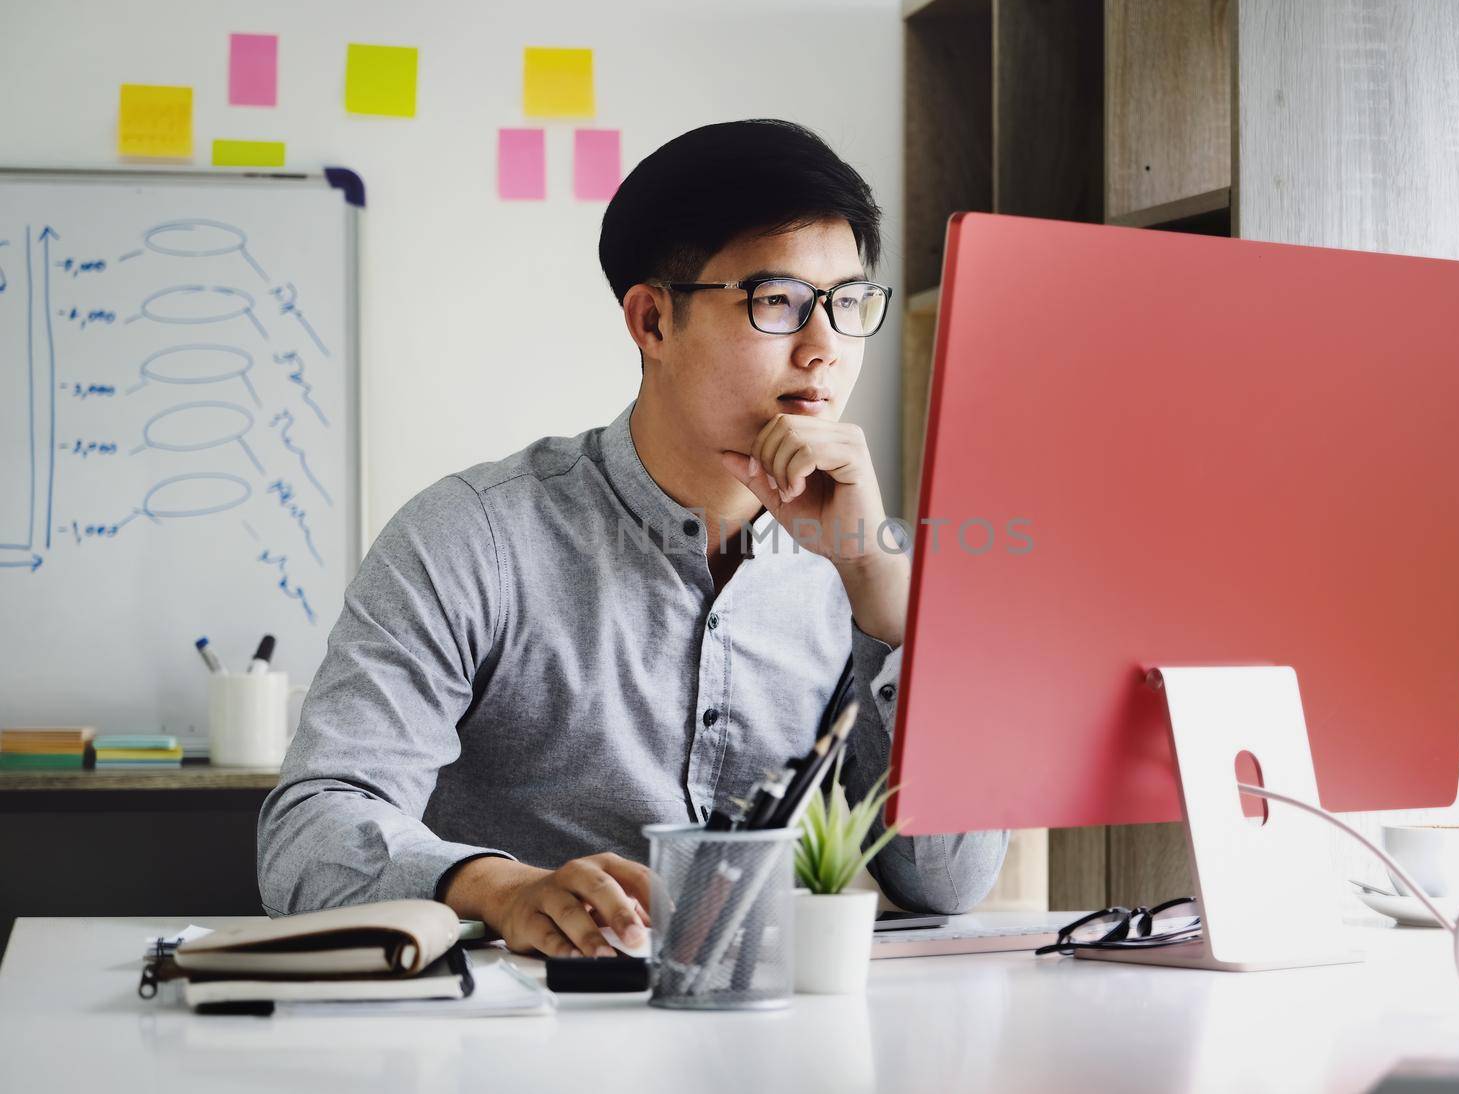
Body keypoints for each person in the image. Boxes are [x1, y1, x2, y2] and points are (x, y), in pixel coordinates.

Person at [257, 119, 1008, 959]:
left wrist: (876, 585)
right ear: (652, 321)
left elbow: (948, 880)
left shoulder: (874, 559)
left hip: (762, 1031)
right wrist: (500, 889)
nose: (825, 346)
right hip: (515, 1033)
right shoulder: (473, 536)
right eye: (778, 301)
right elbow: (310, 830)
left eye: (846, 302)